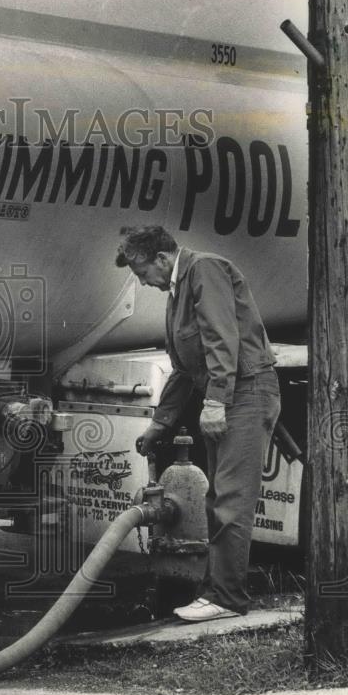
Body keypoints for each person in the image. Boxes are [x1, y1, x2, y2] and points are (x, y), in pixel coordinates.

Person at [116, 225, 280, 622]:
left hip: (244, 392)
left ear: (162, 258)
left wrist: (215, 402)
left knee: (230, 500)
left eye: (141, 270)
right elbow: (183, 369)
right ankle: (217, 591)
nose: (141, 280)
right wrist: (161, 422)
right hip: (227, 394)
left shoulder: (203, 270)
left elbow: (222, 342)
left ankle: (227, 599)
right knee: (216, 499)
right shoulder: (177, 291)